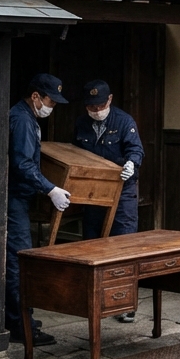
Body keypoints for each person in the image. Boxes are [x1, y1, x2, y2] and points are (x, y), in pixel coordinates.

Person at [6, 73, 71, 346]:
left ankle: (17, 318)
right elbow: (22, 164)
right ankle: (22, 326)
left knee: (18, 259)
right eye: (50, 101)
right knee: (19, 262)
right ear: (35, 96)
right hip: (14, 199)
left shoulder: (26, 117)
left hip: (19, 198)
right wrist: (50, 189)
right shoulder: (22, 120)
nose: (51, 107)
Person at [74, 80, 145, 322]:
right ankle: (96, 298)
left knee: (123, 244)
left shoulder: (124, 121)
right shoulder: (82, 123)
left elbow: (136, 150)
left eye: (100, 106)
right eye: (91, 107)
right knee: (93, 244)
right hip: (94, 191)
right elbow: (75, 152)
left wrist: (131, 164)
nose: (96, 111)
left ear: (110, 100)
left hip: (122, 190)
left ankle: (125, 302)